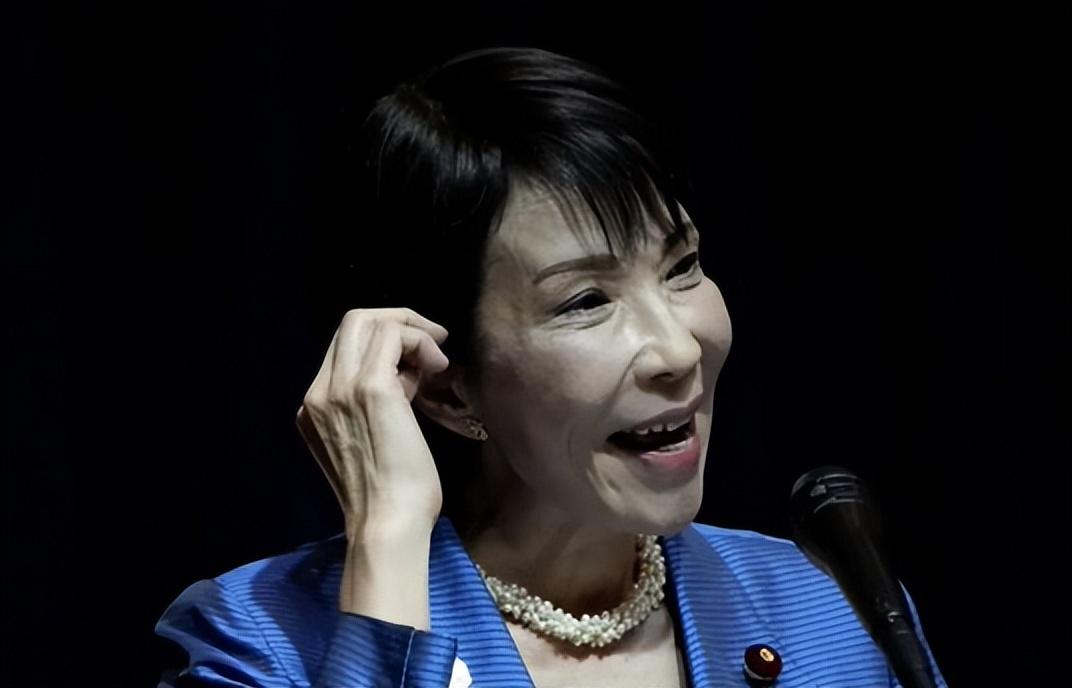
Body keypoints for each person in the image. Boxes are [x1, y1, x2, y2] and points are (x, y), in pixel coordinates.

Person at [155, 47, 947, 687]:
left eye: (681, 266)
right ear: (447, 386)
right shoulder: (260, 639)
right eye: (586, 301)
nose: (678, 350)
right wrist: (389, 545)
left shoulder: (831, 613)